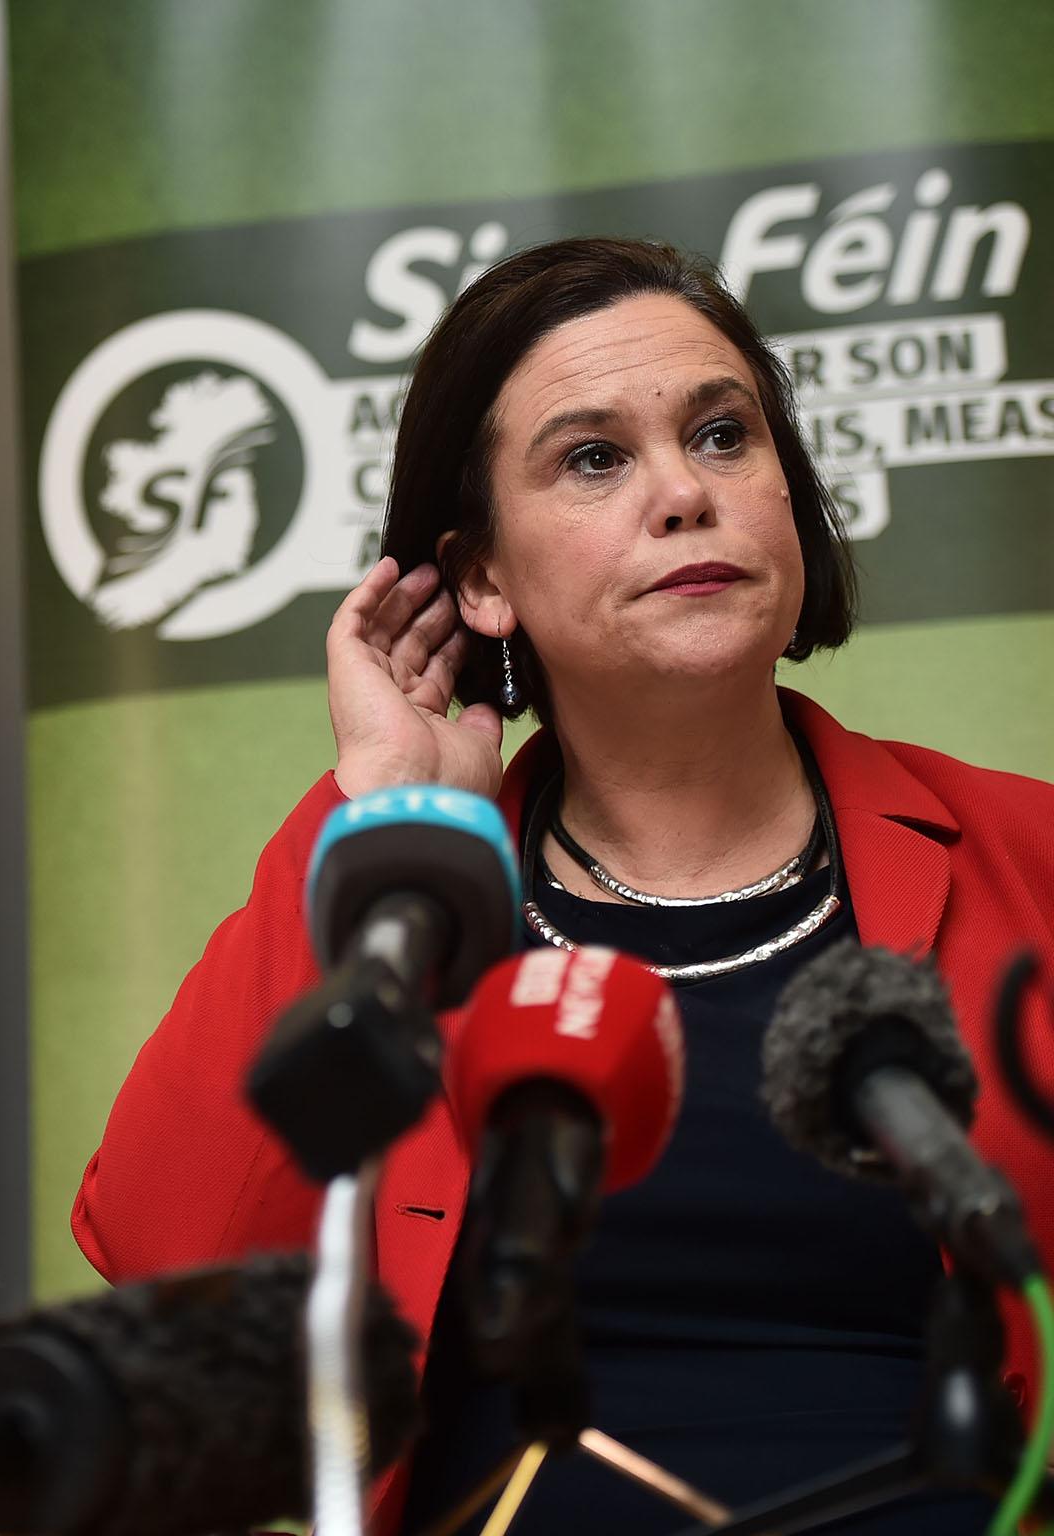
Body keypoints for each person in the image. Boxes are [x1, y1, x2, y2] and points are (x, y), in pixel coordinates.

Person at [72, 238, 1054, 1533]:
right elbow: (166, 1250)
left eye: (722, 435)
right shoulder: (413, 896)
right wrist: (384, 815)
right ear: (480, 577)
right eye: (594, 457)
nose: (684, 494)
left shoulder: (1021, 850)